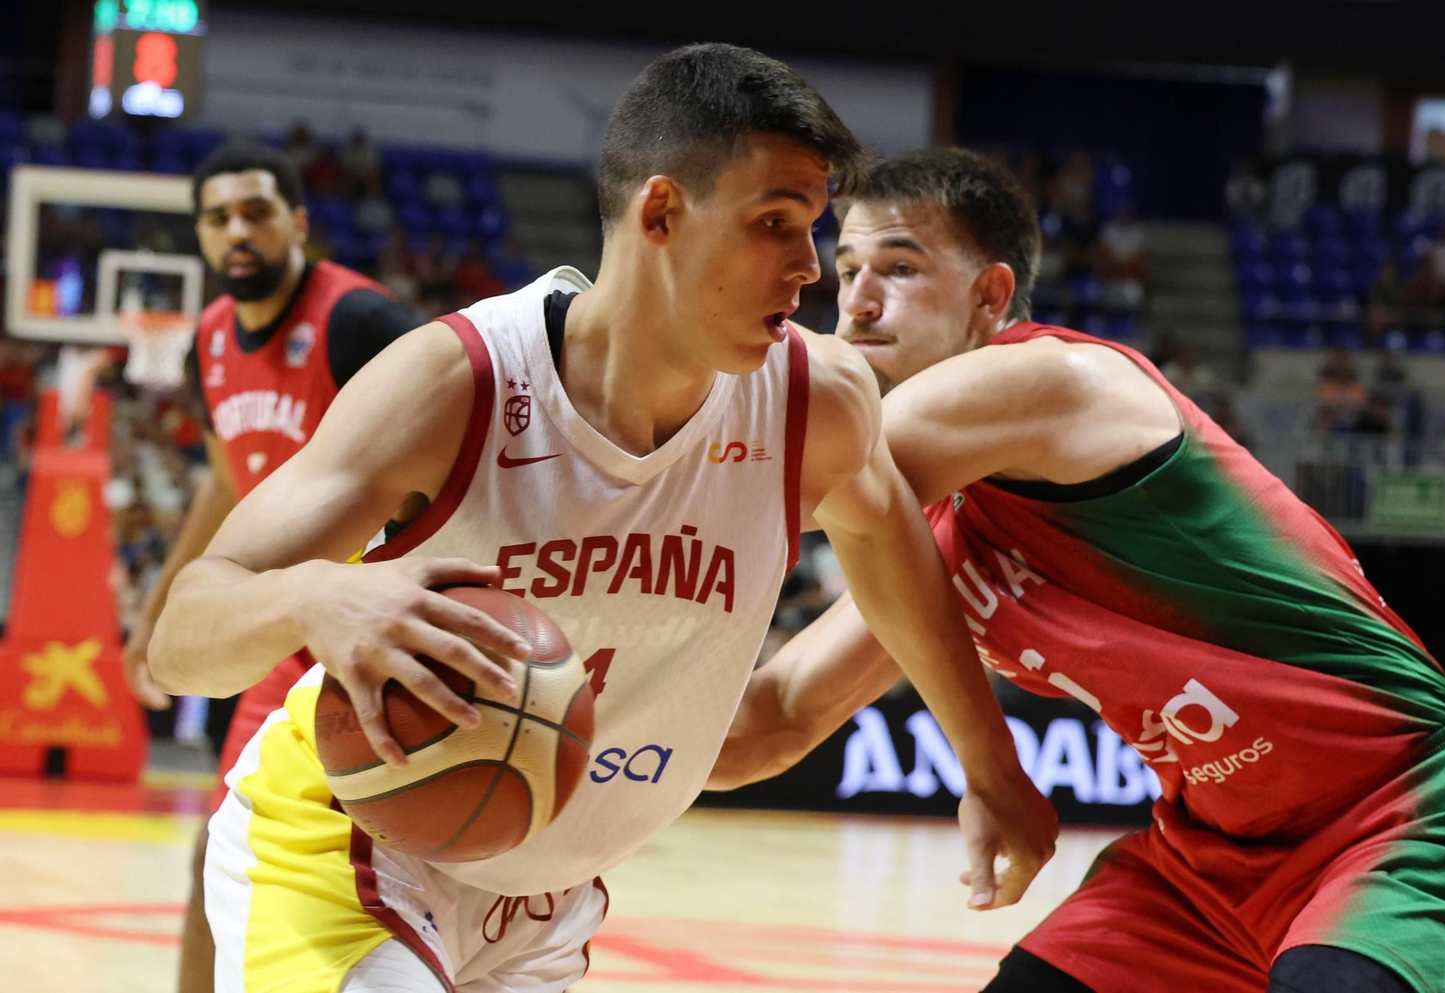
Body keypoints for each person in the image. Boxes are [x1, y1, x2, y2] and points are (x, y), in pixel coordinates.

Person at [147, 46, 1055, 993]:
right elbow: (181, 638)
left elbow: (891, 551)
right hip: (348, 846)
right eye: (775, 224)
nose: (808, 269)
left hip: (551, 902)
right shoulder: (457, 384)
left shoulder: (816, 405)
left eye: (813, 228)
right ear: (660, 211)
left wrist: (988, 762)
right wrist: (314, 596)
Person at [711, 147, 1445, 993]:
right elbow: (773, 717)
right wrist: (597, 723)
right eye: (847, 268)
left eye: (898, 267)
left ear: (990, 296)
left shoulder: (1058, 382)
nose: (855, 301)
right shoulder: (914, 527)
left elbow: (807, 466)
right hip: (1204, 868)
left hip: (1411, 817)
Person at [121, 142, 426, 993]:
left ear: (298, 222)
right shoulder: (210, 339)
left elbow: (451, 444)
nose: (237, 232)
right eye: (218, 218)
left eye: (256, 212)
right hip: (277, 622)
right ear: (202, 236)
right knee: (221, 841)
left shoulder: (359, 322)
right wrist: (158, 612)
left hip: (368, 617)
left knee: (396, 859)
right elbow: (225, 483)